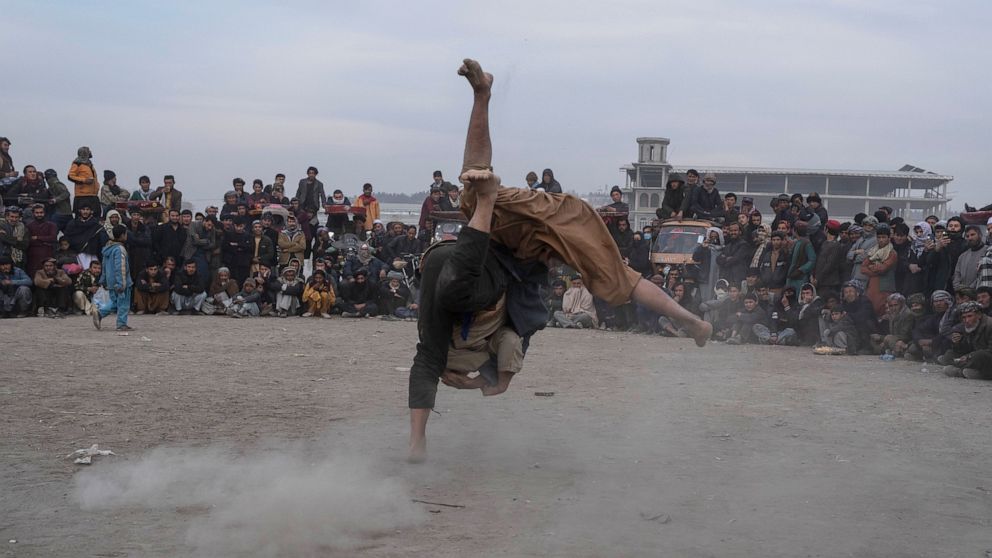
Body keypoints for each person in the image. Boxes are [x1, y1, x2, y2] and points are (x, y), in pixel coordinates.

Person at [407, 59, 711, 462]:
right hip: (501, 240)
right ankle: (482, 100)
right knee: (474, 184)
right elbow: (503, 339)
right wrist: (488, 381)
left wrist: (488, 380)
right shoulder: (477, 332)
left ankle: (482, 106)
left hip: (505, 243)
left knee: (477, 196)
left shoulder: (482, 328)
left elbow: (506, 335)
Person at [92, 225, 133, 331]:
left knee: (115, 302)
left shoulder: (108, 248)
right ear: (123, 235)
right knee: (123, 303)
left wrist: (103, 279)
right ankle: (121, 324)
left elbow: (104, 265)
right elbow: (121, 267)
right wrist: (122, 283)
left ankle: (100, 313)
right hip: (121, 281)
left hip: (110, 281)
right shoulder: (120, 249)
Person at [940, 302, 992, 380]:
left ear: (979, 315)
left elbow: (990, 351)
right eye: (964, 317)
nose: (966, 320)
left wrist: (969, 356)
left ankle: (973, 373)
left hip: (985, 358)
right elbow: (965, 349)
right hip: (973, 358)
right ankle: (968, 371)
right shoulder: (966, 327)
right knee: (949, 355)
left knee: (979, 355)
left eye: (970, 316)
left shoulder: (989, 325)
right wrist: (957, 343)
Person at [68, 147, 101, 215]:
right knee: (82, 217)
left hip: (93, 195)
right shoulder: (77, 163)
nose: (90, 152)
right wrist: (84, 180)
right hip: (82, 196)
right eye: (89, 151)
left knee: (96, 216)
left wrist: (97, 186)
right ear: (85, 153)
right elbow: (70, 176)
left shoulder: (90, 164)